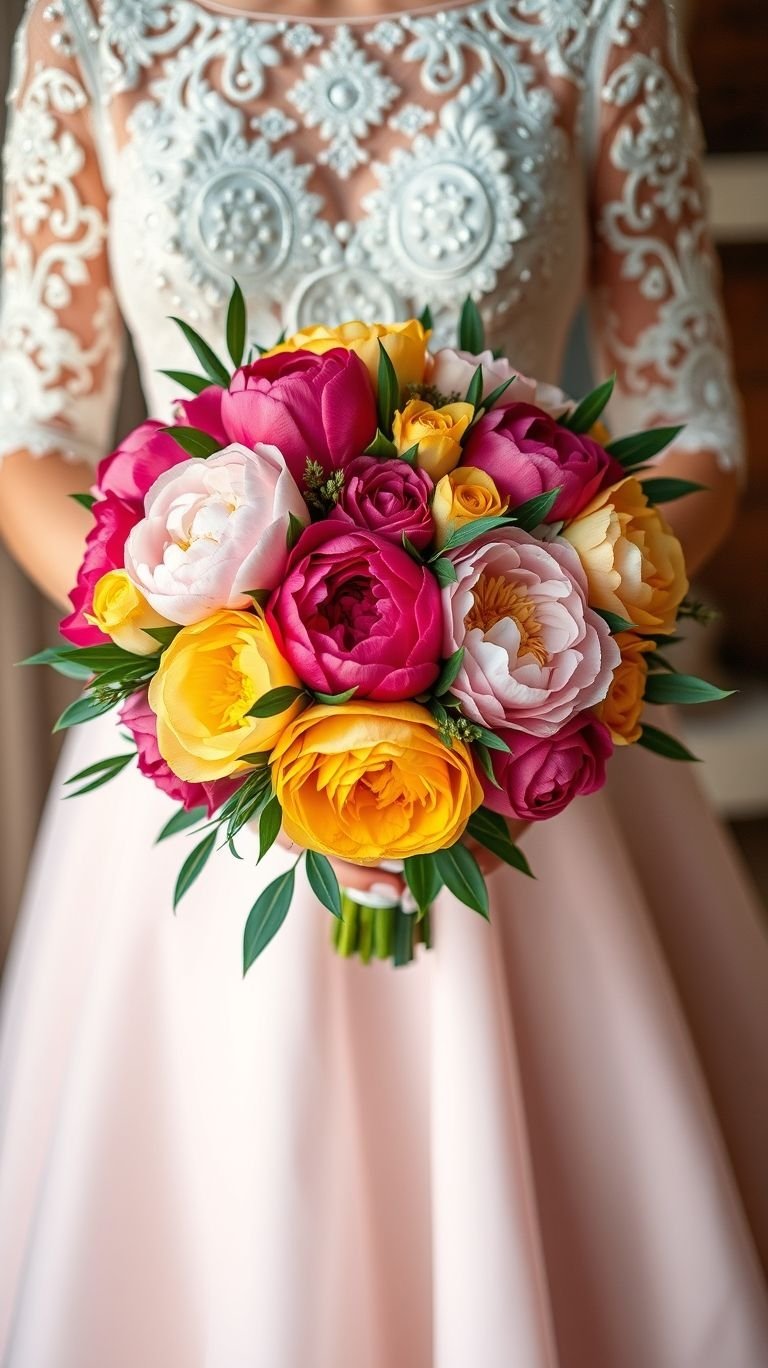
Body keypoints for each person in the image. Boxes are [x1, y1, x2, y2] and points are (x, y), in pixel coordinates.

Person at [0, 0, 766, 1363]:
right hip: (202, 738)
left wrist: (529, 625)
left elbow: (697, 427)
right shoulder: (93, 25)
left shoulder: (602, 18)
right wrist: (187, 638)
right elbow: (34, 438)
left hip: (526, 731)